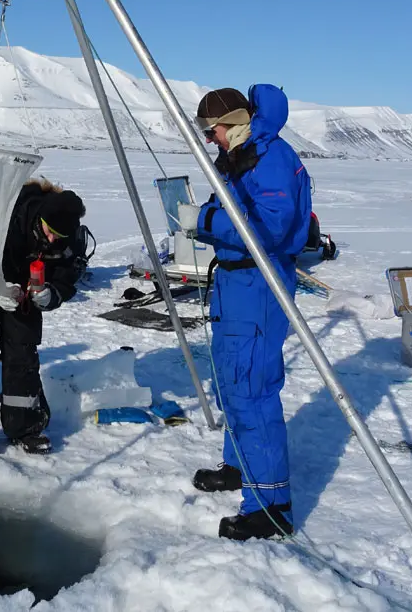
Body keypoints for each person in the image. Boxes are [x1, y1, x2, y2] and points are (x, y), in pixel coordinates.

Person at [178, 85, 311, 541]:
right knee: (233, 380)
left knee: (253, 389)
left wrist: (206, 223)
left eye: (212, 129)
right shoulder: (243, 152)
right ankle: (240, 466)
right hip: (236, 284)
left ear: (232, 122)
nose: (211, 138)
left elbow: (270, 227)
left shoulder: (269, 157)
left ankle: (270, 506)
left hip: (259, 283)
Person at [0, 179, 86, 455]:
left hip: (26, 290)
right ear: (40, 218)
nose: (52, 240)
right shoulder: (5, 217)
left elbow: (67, 275)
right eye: (49, 232)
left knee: (22, 354)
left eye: (58, 237)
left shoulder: (69, 235)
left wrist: (52, 293)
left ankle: (23, 427)